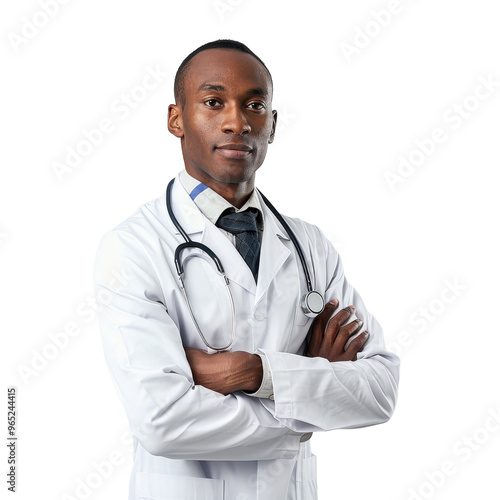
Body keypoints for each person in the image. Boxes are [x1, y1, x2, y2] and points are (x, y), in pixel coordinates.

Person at [94, 39, 400, 500]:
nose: (237, 122)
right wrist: (311, 397)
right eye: (213, 102)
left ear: (272, 124)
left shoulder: (310, 246)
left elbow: (379, 391)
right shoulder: (133, 247)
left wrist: (250, 373)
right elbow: (162, 421)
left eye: (255, 105)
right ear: (176, 119)